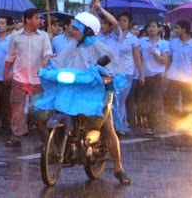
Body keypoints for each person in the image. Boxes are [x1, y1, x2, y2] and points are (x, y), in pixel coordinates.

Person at [50, 12, 132, 185]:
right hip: (74, 92)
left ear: (87, 31)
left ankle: (119, 168)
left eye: (76, 29)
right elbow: (58, 62)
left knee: (107, 127)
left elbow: (115, 72)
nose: (73, 32)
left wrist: (104, 78)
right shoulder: (72, 47)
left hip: (97, 94)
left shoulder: (102, 49)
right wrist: (47, 69)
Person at [3, 8, 52, 148]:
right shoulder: (16, 37)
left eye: (39, 18)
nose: (39, 21)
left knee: (38, 110)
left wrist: (45, 60)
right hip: (19, 78)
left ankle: (44, 137)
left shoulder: (43, 36)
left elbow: (48, 52)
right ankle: (15, 135)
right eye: (36, 18)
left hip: (37, 79)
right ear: (27, 20)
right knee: (16, 108)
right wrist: (6, 73)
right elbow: (10, 56)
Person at [136, 21, 169, 135]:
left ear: (159, 28)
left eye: (154, 26)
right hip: (145, 75)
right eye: (149, 26)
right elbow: (137, 56)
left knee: (155, 101)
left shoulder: (163, 44)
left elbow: (165, 61)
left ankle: (153, 125)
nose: (151, 29)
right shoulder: (142, 42)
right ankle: (144, 124)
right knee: (143, 101)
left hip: (157, 76)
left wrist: (155, 53)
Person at [164, 20, 192, 117]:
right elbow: (169, 58)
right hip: (173, 76)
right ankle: (172, 120)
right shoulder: (173, 42)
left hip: (187, 78)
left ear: (184, 30)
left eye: (177, 28)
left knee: (187, 102)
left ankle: (185, 120)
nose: (175, 30)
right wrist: (165, 72)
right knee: (170, 100)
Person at [115, 12, 143, 134]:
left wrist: (141, 74)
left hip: (127, 72)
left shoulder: (133, 39)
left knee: (121, 100)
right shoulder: (114, 36)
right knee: (113, 100)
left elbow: (137, 57)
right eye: (120, 20)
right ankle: (115, 124)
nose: (122, 23)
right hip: (114, 72)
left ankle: (119, 126)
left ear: (129, 23)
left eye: (124, 21)